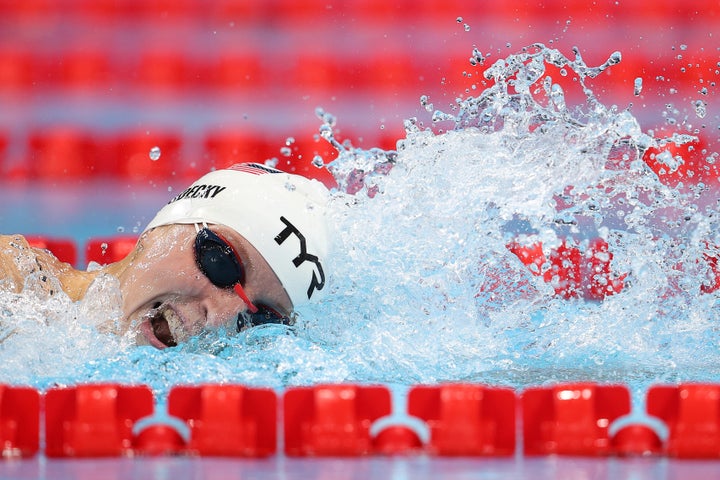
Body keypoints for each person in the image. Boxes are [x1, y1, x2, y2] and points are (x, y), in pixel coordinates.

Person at [0, 162, 330, 349]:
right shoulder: (10, 284)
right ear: (164, 226)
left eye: (259, 320)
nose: (219, 319)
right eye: (222, 264)